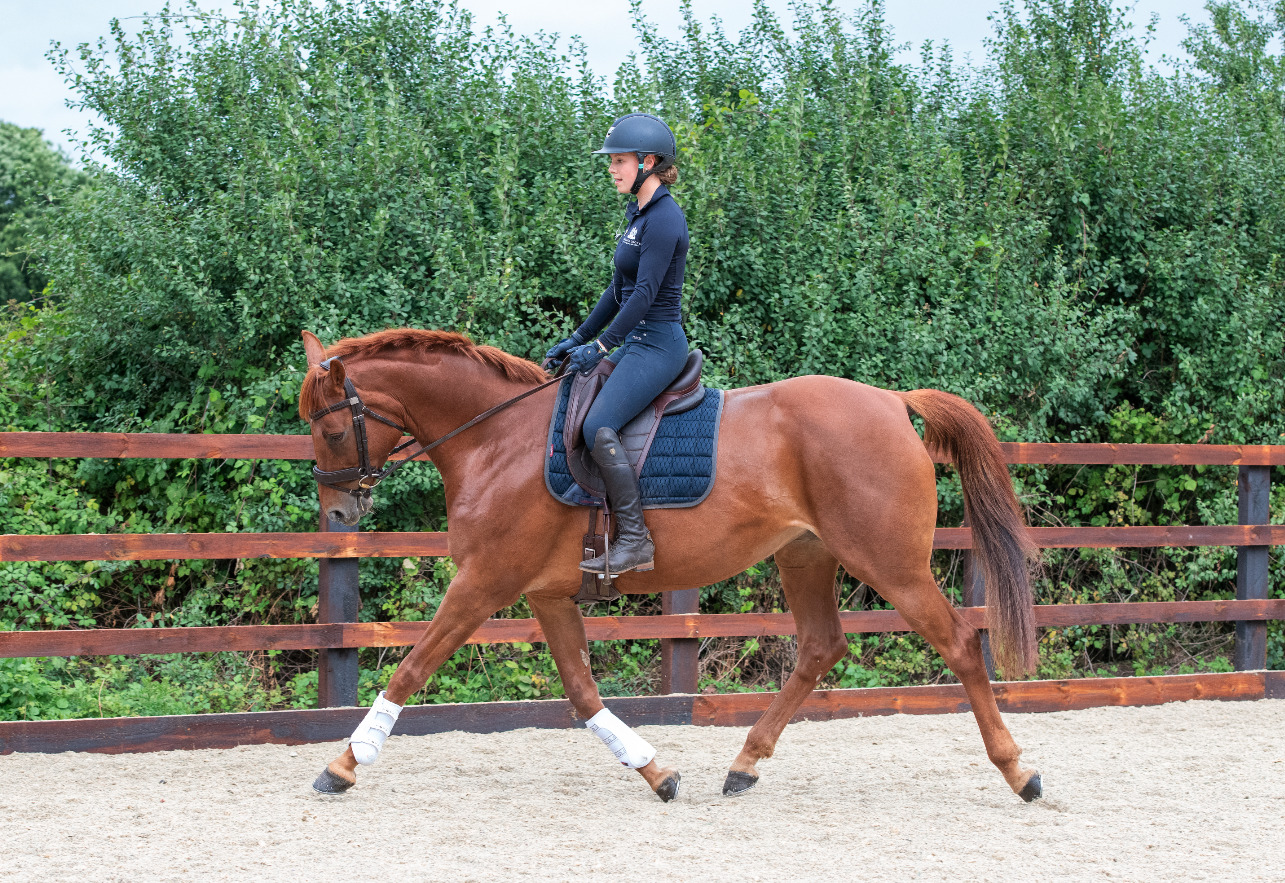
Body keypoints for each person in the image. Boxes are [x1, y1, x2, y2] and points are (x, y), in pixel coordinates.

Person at [544, 112, 691, 575]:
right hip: (635, 342)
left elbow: (645, 295)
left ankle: (634, 540)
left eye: (620, 160)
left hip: (659, 345)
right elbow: (617, 290)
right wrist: (578, 338)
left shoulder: (664, 219)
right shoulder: (637, 214)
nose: (612, 168)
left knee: (598, 424)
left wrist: (604, 346)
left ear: (648, 162)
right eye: (611, 160)